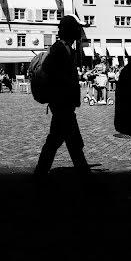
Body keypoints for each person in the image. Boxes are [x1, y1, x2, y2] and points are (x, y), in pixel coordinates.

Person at [33, 14, 93, 183]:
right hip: (62, 104)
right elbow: (49, 67)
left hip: (63, 104)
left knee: (58, 140)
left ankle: (41, 173)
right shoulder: (60, 48)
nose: (79, 32)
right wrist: (68, 82)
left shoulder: (65, 47)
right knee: (68, 143)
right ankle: (85, 177)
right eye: (76, 29)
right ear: (70, 31)